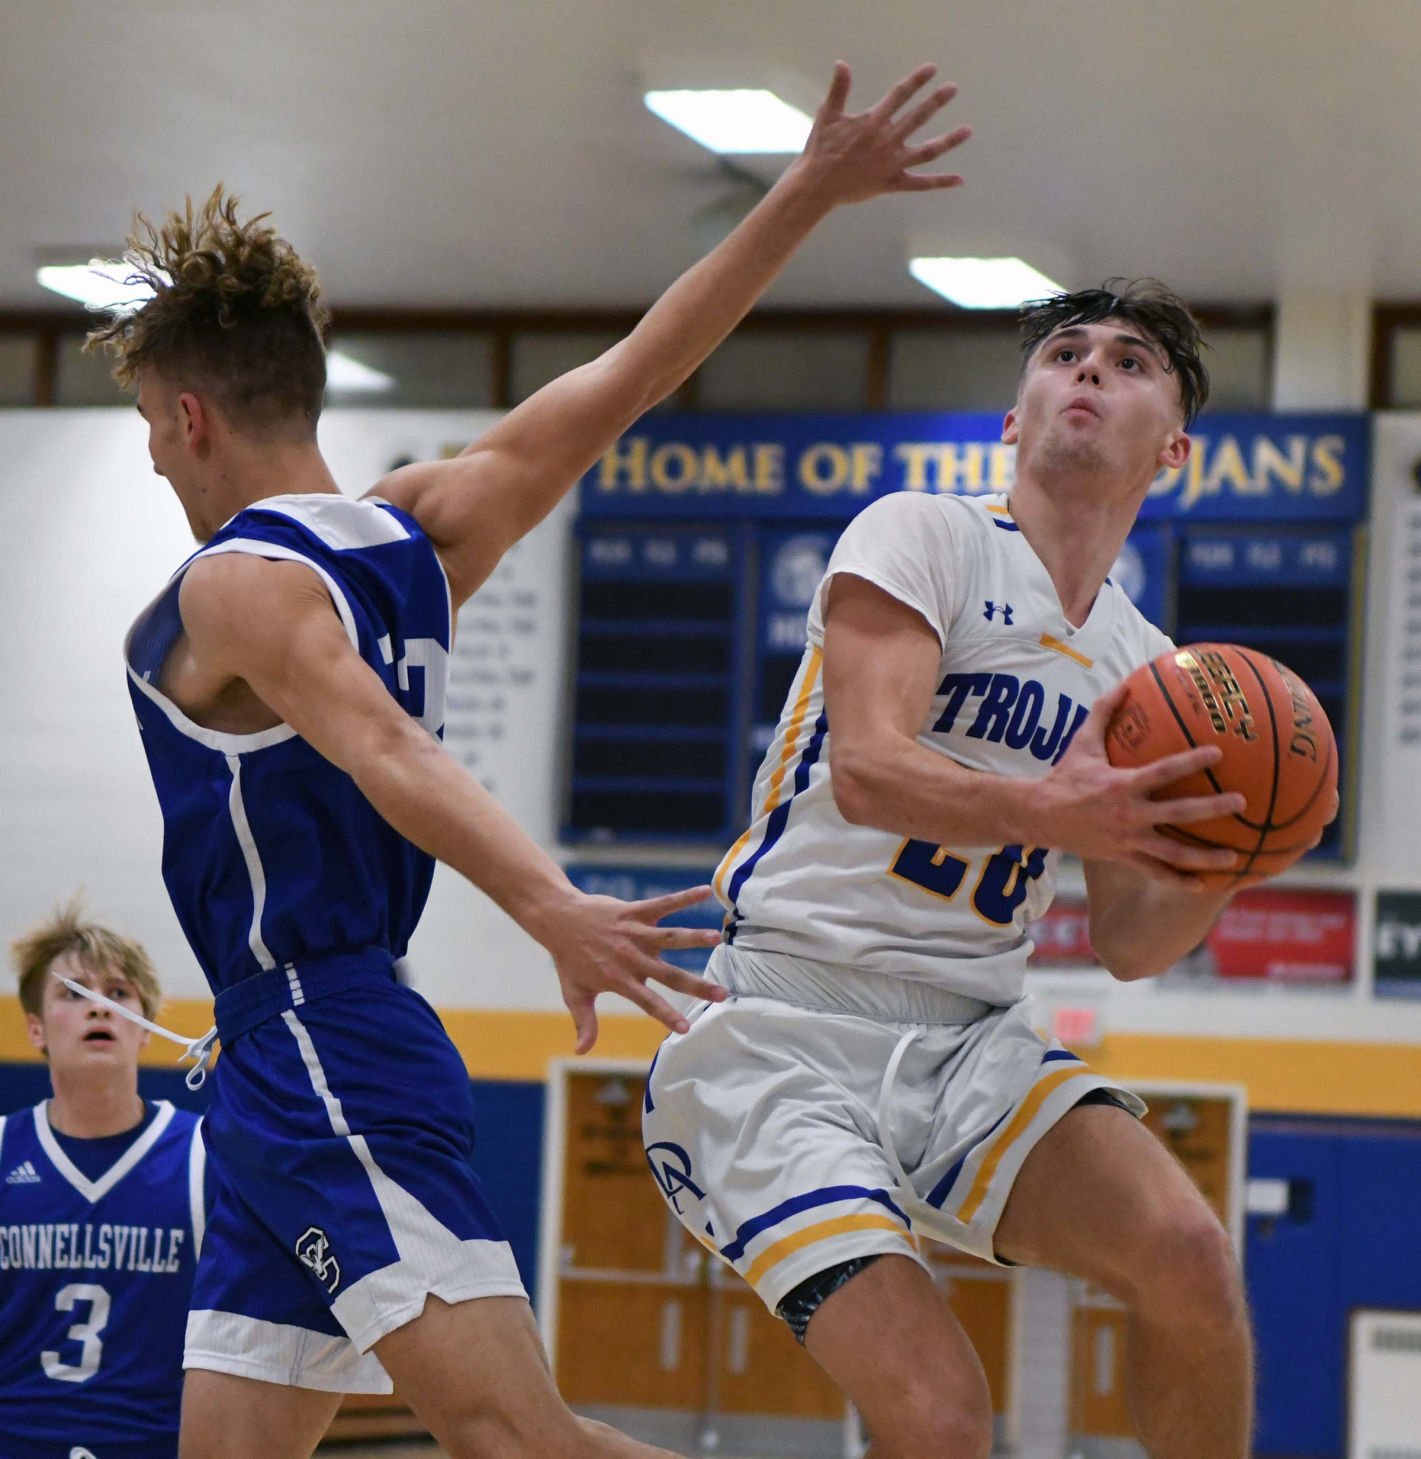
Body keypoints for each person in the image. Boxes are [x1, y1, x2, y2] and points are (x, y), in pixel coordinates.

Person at [84, 60, 971, 1459]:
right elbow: (636, 373)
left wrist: (549, 902)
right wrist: (801, 193)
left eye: (147, 426)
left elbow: (379, 749)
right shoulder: (422, 528)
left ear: (191, 415)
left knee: (516, 1435)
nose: (150, 459)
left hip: (322, 1036)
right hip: (280, 1059)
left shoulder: (233, 584)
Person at [642, 280, 1338, 1459]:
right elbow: (865, 766)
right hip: (778, 1029)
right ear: (1011, 420)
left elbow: (1126, 941)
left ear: (1171, 448)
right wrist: (1047, 803)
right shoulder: (924, 534)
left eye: (1125, 362)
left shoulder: (1148, 666)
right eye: (1062, 354)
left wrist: (1234, 861)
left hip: (970, 1036)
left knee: (1186, 1257)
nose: (1085, 372)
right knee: (941, 1414)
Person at [1, 900, 207, 1459]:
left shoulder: (206, 1153)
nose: (100, 1008)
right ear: (36, 1028)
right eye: (75, 993)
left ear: (145, 1029)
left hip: (157, 1442)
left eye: (118, 993)